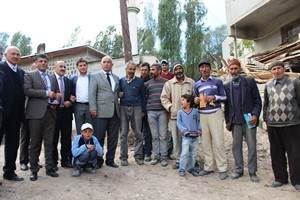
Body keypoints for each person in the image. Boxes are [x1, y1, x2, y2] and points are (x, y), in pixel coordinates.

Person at [263, 61, 300, 192]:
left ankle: (297, 180)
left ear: (284, 69)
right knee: (276, 153)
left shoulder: (295, 82)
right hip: (273, 125)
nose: (276, 71)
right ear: (271, 72)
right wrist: (265, 120)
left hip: (292, 124)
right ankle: (280, 178)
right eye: (274, 69)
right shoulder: (268, 85)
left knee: (295, 153)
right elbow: (266, 105)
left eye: (279, 68)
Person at [224, 59, 262, 182]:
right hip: (235, 121)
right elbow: (227, 107)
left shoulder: (249, 82)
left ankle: (252, 172)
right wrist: (227, 120)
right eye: (231, 69)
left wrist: (255, 115)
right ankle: (239, 169)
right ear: (228, 70)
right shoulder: (226, 86)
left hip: (248, 119)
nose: (234, 71)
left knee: (251, 146)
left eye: (236, 68)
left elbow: (257, 101)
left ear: (240, 69)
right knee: (236, 147)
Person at [24, 53, 60, 181]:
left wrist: (56, 100)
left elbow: (56, 93)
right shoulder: (30, 75)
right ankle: (34, 170)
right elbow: (27, 90)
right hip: (35, 114)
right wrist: (46, 93)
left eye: (45, 61)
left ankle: (50, 168)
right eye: (41, 61)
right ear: (36, 63)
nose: (43, 63)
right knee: (34, 143)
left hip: (51, 113)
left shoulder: (52, 77)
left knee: (50, 143)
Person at [194, 60, 228, 180]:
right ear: (200, 70)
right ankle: (208, 167)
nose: (204, 69)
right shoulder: (197, 84)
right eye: (202, 67)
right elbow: (195, 99)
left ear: (210, 69)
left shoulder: (217, 81)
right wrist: (196, 100)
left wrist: (214, 97)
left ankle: (222, 168)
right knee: (205, 142)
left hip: (215, 113)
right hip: (202, 115)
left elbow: (224, 97)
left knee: (218, 142)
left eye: (206, 67)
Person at [161, 62, 195, 169]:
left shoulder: (191, 82)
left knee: (189, 139)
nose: (179, 71)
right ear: (174, 71)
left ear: (183, 69)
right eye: (176, 69)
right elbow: (164, 98)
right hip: (175, 116)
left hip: (188, 117)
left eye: (180, 68)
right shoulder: (169, 83)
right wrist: (170, 107)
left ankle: (190, 160)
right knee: (176, 140)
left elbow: (195, 97)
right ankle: (178, 160)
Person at [89, 56, 120, 168]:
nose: (106, 64)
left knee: (113, 138)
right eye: (104, 62)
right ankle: (98, 160)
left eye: (109, 62)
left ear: (112, 65)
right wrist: (93, 108)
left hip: (115, 112)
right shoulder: (95, 77)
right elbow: (92, 94)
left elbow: (116, 93)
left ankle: (110, 160)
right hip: (100, 112)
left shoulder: (116, 78)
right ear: (101, 64)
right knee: (99, 137)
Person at [0, 46, 25, 181]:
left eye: (18, 54)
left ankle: (9, 171)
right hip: (2, 112)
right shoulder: (1, 68)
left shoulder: (21, 72)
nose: (15, 56)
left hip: (15, 115)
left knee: (13, 143)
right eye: (13, 54)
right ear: (6, 55)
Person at [119, 61, 145, 166]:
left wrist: (143, 110)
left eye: (133, 69)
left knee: (138, 133)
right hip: (123, 108)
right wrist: (118, 95)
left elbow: (144, 97)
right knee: (123, 134)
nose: (132, 71)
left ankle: (138, 156)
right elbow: (117, 93)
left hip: (137, 108)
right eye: (130, 69)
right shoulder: (121, 81)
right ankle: (123, 157)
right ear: (126, 69)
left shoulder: (139, 81)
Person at [52, 61, 75, 169]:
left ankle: (65, 160)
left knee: (66, 138)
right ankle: (53, 161)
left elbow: (73, 96)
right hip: (53, 113)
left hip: (66, 113)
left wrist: (70, 102)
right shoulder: (50, 80)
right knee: (53, 138)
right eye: (60, 66)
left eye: (64, 67)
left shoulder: (68, 81)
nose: (63, 68)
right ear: (55, 68)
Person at [145, 63, 168, 167]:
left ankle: (164, 157)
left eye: (153, 70)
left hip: (163, 111)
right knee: (154, 136)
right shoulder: (148, 84)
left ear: (159, 71)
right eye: (151, 69)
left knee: (163, 136)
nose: (151, 71)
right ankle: (156, 157)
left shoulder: (166, 83)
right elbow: (145, 97)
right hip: (151, 112)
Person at [19, 63, 38, 171]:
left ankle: (34, 161)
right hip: (26, 113)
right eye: (34, 70)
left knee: (35, 139)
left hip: (37, 114)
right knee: (25, 138)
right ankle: (23, 161)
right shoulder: (26, 80)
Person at [177, 94, 201, 177]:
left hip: (195, 137)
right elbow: (179, 123)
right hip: (186, 137)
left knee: (193, 154)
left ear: (189, 102)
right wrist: (185, 131)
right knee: (184, 154)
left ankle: (191, 168)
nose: (181, 101)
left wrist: (199, 130)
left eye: (183, 100)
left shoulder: (195, 111)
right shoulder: (180, 112)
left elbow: (198, 121)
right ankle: (182, 169)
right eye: (181, 100)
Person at [71, 58, 92, 135]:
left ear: (87, 66)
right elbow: (70, 90)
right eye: (80, 65)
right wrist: (70, 96)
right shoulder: (73, 79)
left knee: (90, 128)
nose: (83, 67)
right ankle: (81, 146)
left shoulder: (92, 78)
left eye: (84, 65)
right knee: (80, 128)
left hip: (90, 106)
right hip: (78, 106)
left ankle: (90, 146)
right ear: (77, 67)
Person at [160, 59, 174, 159]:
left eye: (165, 65)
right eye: (162, 65)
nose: (164, 66)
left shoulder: (172, 75)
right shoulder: (159, 75)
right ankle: (163, 151)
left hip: (172, 105)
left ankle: (170, 151)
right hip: (162, 105)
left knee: (172, 131)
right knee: (164, 132)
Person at [140, 62, 152, 162]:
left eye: (146, 70)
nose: (144, 72)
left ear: (148, 71)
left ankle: (148, 152)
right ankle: (140, 152)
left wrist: (145, 110)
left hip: (149, 110)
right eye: (142, 70)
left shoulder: (152, 81)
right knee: (139, 132)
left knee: (148, 133)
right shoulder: (138, 81)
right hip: (138, 111)